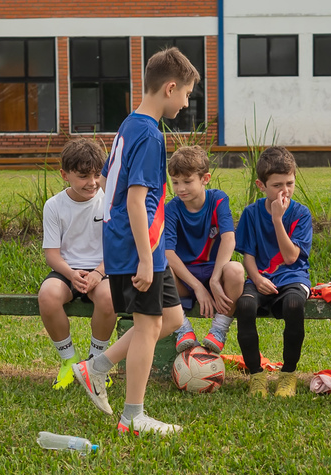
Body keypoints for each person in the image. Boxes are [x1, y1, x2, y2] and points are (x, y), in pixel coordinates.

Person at [72, 47, 199, 434]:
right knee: (148, 324)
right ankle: (133, 416)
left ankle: (96, 367)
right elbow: (134, 199)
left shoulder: (132, 122)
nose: (187, 101)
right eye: (187, 94)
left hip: (141, 243)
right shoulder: (149, 134)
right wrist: (145, 258)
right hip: (136, 245)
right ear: (171, 87)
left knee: (172, 318)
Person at [234, 146, 313, 397]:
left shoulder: (301, 214)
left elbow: (291, 257)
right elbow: (248, 255)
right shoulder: (251, 213)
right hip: (260, 277)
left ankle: (288, 374)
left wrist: (278, 220)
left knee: (292, 305)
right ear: (261, 185)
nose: (285, 191)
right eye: (277, 185)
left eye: (289, 183)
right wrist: (256, 279)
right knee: (245, 307)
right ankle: (257, 375)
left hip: (293, 277)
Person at [39, 138, 116, 390]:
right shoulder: (54, 206)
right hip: (67, 270)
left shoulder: (109, 201)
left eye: (96, 175)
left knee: (109, 298)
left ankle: (95, 364)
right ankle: (68, 360)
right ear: (64, 175)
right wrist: (71, 274)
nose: (92, 182)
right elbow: (52, 254)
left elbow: (118, 249)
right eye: (83, 176)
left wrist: (98, 272)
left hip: (103, 269)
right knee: (48, 296)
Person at [164, 145, 243, 354]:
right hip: (185, 277)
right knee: (159, 271)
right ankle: (183, 328)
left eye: (187, 181)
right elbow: (168, 253)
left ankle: (219, 330)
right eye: (175, 182)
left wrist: (216, 279)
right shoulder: (171, 208)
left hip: (213, 271)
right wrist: (198, 287)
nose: (180, 188)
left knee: (236, 270)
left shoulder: (218, 199)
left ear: (205, 179)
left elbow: (228, 239)